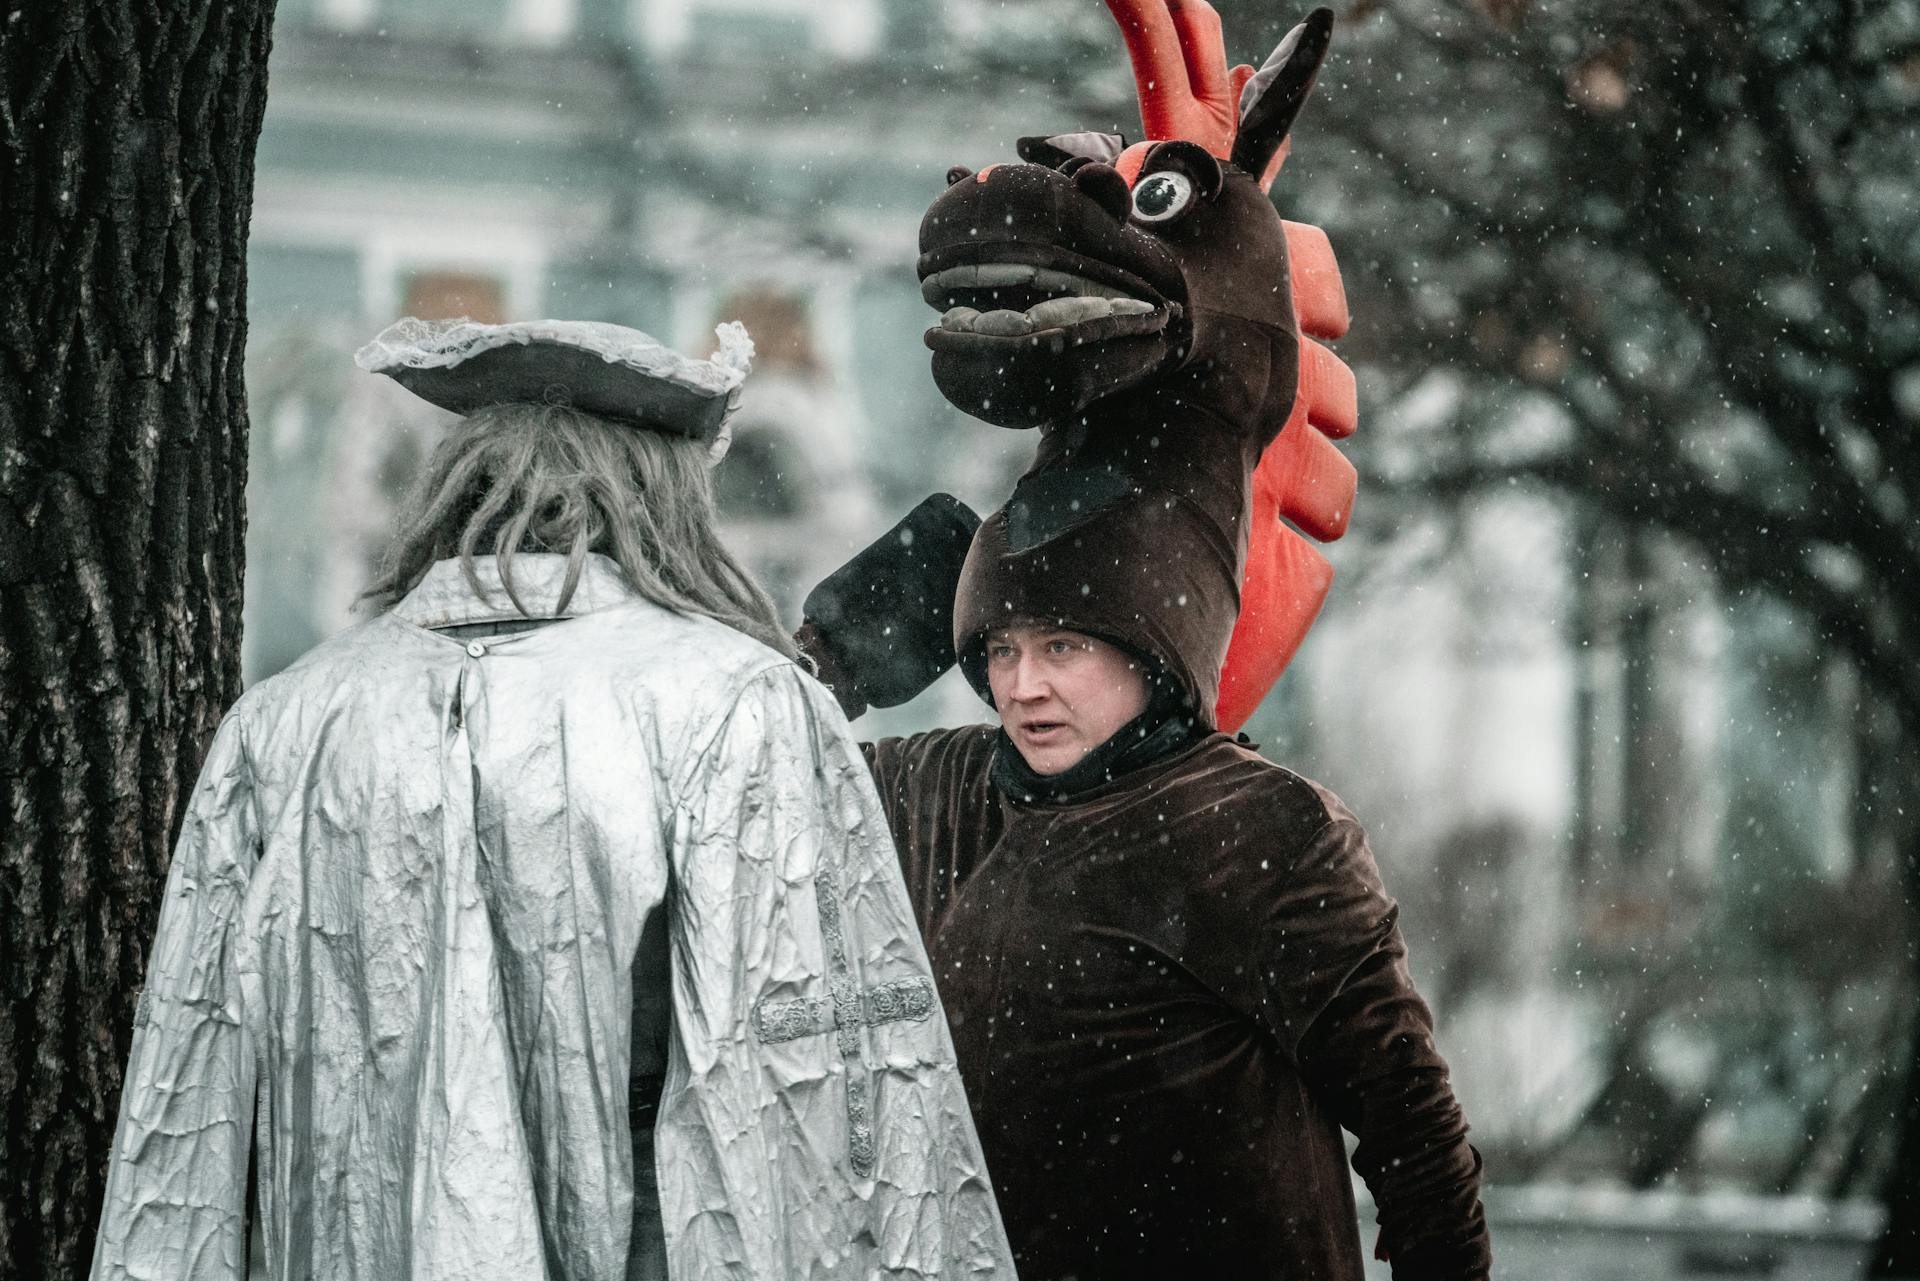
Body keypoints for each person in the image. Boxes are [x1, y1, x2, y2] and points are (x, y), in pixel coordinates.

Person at [88, 317, 1014, 1281]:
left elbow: (186, 1099)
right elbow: (823, 1092)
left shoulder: (280, 721)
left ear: (454, 489)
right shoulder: (739, 703)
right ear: (664, 500)